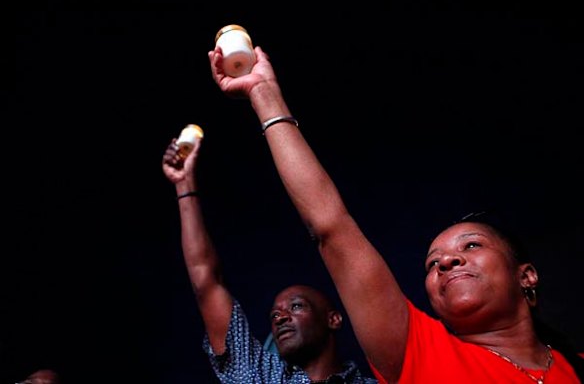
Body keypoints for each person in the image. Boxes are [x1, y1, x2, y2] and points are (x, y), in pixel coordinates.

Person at [207, 43, 584, 384]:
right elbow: (332, 228)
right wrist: (264, 94)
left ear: (527, 276)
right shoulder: (416, 349)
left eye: (471, 245)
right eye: (432, 264)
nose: (448, 261)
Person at [161, 135, 377, 383]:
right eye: (274, 316)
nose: (281, 318)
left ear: (333, 319)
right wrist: (184, 185)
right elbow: (206, 281)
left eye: (296, 306)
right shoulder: (257, 374)